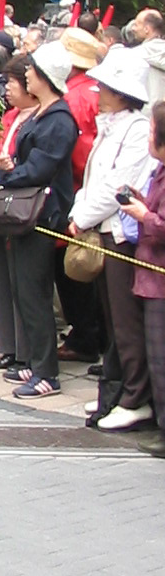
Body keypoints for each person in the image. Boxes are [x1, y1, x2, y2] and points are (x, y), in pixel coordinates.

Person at [68, 46, 153, 430]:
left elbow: (118, 186)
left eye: (104, 85)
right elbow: (94, 180)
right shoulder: (113, 126)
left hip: (120, 233)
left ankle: (135, 396)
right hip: (102, 230)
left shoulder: (135, 130)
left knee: (125, 321)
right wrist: (79, 213)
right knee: (111, 317)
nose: (97, 90)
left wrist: (82, 215)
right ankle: (116, 391)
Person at [0, 43, 78, 398]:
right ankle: (34, 362)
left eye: (31, 69)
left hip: (43, 213)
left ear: (45, 77)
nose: (26, 73)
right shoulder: (42, 112)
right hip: (28, 210)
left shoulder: (59, 119)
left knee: (35, 292)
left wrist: (10, 175)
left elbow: (41, 168)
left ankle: (47, 373)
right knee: (23, 290)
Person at [0, 54, 36, 368]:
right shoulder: (9, 115)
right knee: (1, 275)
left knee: (22, 282)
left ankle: (26, 350)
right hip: (0, 200)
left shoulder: (41, 118)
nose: (8, 89)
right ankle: (9, 345)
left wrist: (9, 165)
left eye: (13, 83)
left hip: (23, 204)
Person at [116, 100, 165, 457]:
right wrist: (140, 200)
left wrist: (143, 215)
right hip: (149, 275)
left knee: (160, 358)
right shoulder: (159, 170)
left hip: (159, 279)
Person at [54, 27, 105, 364]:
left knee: (72, 269)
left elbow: (77, 150)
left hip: (75, 191)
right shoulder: (96, 91)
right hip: (92, 190)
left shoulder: (73, 98)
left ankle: (85, 336)